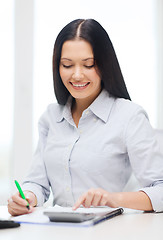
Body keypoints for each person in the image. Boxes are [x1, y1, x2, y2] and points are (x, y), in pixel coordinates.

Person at [8, 19, 163, 216]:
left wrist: (113, 198)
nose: (77, 75)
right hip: (57, 230)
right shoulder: (51, 117)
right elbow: (37, 183)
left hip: (110, 232)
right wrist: (27, 197)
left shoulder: (130, 116)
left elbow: (160, 189)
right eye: (67, 65)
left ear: (105, 65)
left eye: (88, 65)